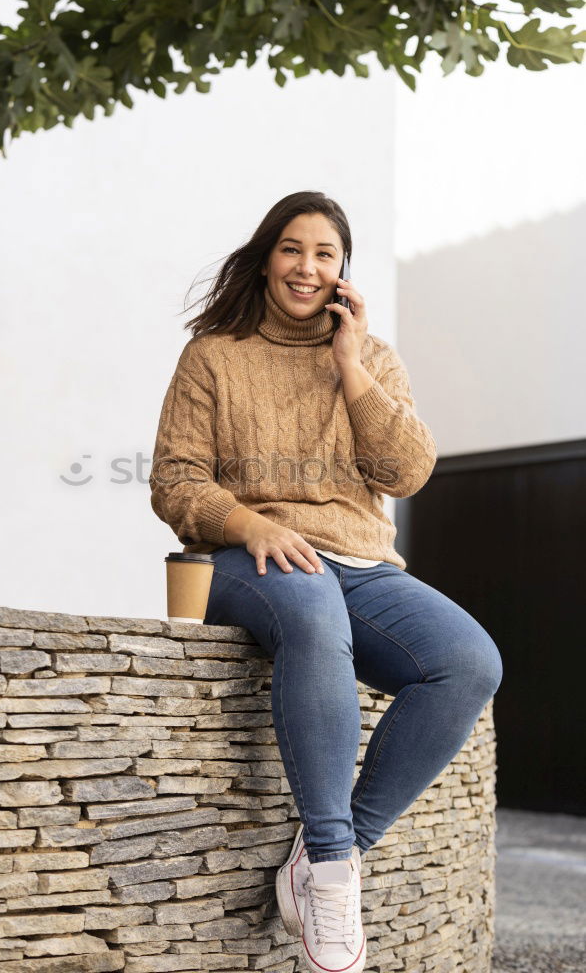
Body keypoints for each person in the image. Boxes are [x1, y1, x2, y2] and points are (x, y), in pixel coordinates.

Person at [149, 191, 503, 973]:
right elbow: (175, 482)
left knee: (470, 662)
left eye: (325, 255)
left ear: (343, 273)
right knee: (311, 610)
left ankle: (320, 855)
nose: (306, 268)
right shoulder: (214, 354)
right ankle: (337, 877)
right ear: (265, 256)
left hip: (359, 562)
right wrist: (253, 525)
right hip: (246, 557)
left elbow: (405, 472)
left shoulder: (371, 358)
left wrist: (350, 367)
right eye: (292, 249)